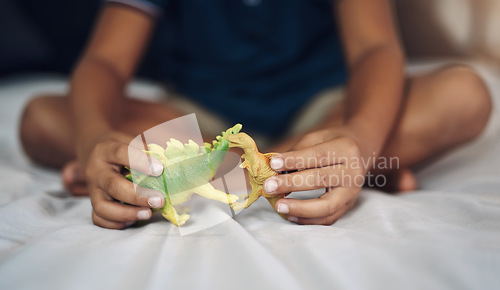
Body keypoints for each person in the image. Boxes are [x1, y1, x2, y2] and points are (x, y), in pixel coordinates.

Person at [19, 0, 492, 229]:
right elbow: (104, 63)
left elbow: (374, 48)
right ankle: (309, 172)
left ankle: (315, 163)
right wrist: (94, 138)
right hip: (199, 121)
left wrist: (359, 139)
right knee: (42, 118)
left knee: (465, 93)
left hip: (323, 111)